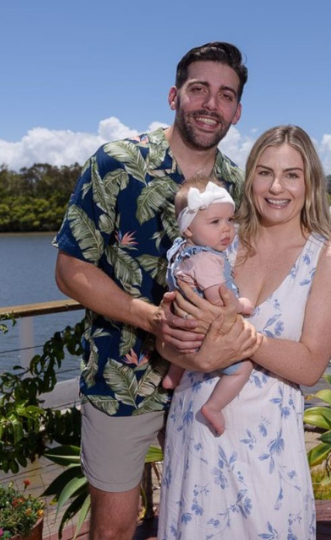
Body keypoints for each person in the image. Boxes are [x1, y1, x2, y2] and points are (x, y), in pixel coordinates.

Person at [53, 42, 260, 540]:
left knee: (207, 516)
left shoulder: (237, 181)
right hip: (123, 378)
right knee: (116, 529)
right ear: (174, 95)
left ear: (237, 110)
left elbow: (248, 270)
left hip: (207, 379)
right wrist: (152, 318)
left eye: (225, 95)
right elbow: (69, 269)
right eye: (199, 89)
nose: (212, 103)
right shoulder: (118, 163)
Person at [157, 125, 331, 539]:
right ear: (250, 179)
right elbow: (167, 337)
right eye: (264, 173)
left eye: (291, 174)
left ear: (309, 182)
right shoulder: (220, 236)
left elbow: (310, 364)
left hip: (269, 452)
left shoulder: (328, 257)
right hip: (197, 434)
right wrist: (188, 346)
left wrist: (239, 336)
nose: (276, 186)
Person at [162, 176, 254, 435]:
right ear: (188, 229)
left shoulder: (181, 251)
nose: (226, 229)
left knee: (184, 346)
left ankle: (173, 374)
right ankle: (213, 407)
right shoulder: (206, 259)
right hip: (204, 332)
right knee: (242, 368)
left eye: (230, 220)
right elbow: (219, 301)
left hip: (185, 328)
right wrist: (243, 305)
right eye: (215, 222)